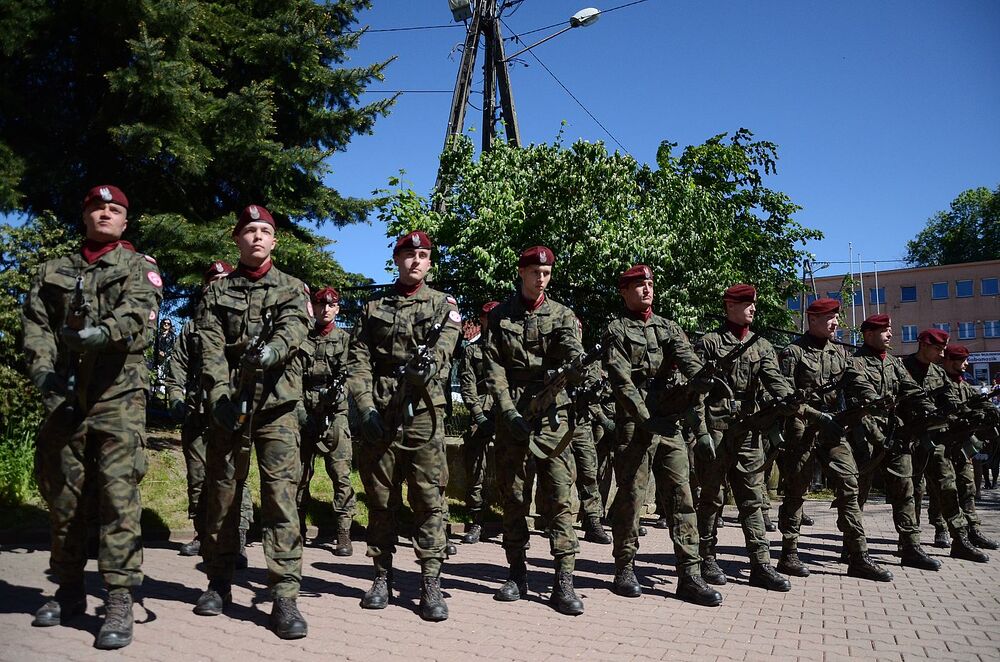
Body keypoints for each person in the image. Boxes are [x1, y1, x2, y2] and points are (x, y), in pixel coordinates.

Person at [23, 184, 162, 649]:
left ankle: (119, 597)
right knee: (65, 496)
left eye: (114, 209)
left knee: (118, 496)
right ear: (84, 216)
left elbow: (137, 317)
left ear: (125, 221)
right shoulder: (53, 271)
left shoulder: (138, 267)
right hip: (65, 398)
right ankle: (68, 590)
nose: (105, 213)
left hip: (118, 396)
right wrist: (45, 374)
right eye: (97, 208)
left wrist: (100, 334)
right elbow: (37, 327)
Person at [194, 204, 310, 639]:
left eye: (264, 231)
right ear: (237, 238)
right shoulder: (216, 293)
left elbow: (293, 329)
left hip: (276, 409)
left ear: (274, 240)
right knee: (223, 495)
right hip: (229, 407)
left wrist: (271, 352)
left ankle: (285, 596)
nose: (257, 237)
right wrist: (218, 397)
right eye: (249, 231)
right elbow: (209, 347)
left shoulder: (292, 287)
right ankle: (218, 581)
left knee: (280, 500)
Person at [347, 230, 462, 622]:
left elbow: (444, 349)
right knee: (381, 500)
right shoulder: (373, 307)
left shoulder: (443, 305)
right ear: (396, 260)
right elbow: (358, 361)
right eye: (409, 254)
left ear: (429, 262)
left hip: (424, 412)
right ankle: (382, 576)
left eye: (423, 255)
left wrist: (424, 372)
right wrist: (365, 408)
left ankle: (430, 581)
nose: (416, 260)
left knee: (428, 500)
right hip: (380, 410)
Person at [603, 264, 722, 605]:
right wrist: (645, 418)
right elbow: (621, 381)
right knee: (631, 497)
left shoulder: (668, 327)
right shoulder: (616, 329)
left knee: (682, 497)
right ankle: (624, 567)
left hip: (669, 423)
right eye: (639, 285)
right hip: (634, 424)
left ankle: (690, 575)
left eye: (650, 284)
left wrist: (702, 378)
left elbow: (687, 358)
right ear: (624, 291)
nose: (647, 289)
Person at [483, 246, 588, 615]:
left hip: (552, 417)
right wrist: (507, 410)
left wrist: (577, 365)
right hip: (512, 414)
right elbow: (493, 368)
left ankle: (564, 581)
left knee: (559, 497)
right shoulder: (500, 315)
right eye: (535, 272)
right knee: (513, 496)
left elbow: (573, 351)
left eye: (546, 273)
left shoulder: (562, 314)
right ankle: (516, 573)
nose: (541, 278)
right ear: (521, 272)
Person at [775, 298, 892, 581]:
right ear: (812, 319)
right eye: (829, 318)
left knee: (850, 485)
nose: (835, 323)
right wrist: (815, 415)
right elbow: (784, 396)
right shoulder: (793, 352)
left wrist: (873, 398)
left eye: (836, 318)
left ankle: (858, 556)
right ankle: (788, 554)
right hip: (802, 427)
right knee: (797, 490)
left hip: (832, 428)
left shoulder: (838, 352)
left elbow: (854, 378)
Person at [693, 284, 797, 591]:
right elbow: (696, 392)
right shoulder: (710, 342)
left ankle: (760, 564)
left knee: (753, 499)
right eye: (746, 303)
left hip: (748, 430)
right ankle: (706, 557)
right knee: (711, 498)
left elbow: (775, 381)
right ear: (730, 305)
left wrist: (789, 398)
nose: (753, 308)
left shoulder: (761, 345)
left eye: (754, 303)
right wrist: (701, 432)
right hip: (716, 429)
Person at [164, 261, 253, 563]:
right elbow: (176, 368)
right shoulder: (191, 328)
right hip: (197, 412)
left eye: (223, 279)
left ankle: (237, 539)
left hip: (231, 412)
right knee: (198, 477)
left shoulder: (240, 324)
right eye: (212, 280)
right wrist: (175, 399)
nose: (217, 284)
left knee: (234, 476)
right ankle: (202, 534)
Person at [842, 314, 942, 571]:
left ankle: (910, 547)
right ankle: (852, 546)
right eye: (884, 330)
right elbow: (862, 393)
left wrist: (932, 409)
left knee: (905, 489)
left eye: (890, 330)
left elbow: (910, 388)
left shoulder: (894, 364)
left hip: (893, 434)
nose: (889, 334)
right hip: (865, 435)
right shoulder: (854, 362)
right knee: (857, 493)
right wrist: (879, 406)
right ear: (868, 334)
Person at [901, 329, 988, 562]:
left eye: (943, 349)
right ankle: (909, 542)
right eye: (938, 349)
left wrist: (962, 413)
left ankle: (960, 538)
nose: (942, 354)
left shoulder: (937, 372)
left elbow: (950, 398)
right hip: (906, 440)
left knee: (947, 486)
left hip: (934, 440)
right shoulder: (901, 368)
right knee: (911, 492)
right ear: (923, 345)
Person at [296, 286, 356, 556]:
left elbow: (350, 375)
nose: (325, 309)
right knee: (299, 475)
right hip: (305, 413)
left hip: (335, 416)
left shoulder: (345, 340)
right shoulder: (302, 337)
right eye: (321, 305)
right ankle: (297, 528)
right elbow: (293, 377)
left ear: (337, 309)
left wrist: (337, 394)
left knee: (341, 475)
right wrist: (300, 411)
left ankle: (343, 532)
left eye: (331, 305)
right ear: (314, 307)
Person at [938, 344, 999, 551]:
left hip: (961, 445)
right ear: (949, 361)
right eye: (962, 360)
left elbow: (978, 402)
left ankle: (973, 529)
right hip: (941, 445)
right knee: (945, 490)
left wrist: (991, 412)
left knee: (967, 486)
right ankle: (946, 531)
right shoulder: (939, 382)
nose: (966, 364)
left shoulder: (963, 384)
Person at [458, 301, 500, 544]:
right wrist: (478, 414)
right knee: (475, 465)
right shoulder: (472, 351)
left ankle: (514, 523)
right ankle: (477, 520)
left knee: (517, 466)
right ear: (481, 320)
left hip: (508, 411)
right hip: (482, 411)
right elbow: (467, 384)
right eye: (487, 318)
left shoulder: (511, 348)